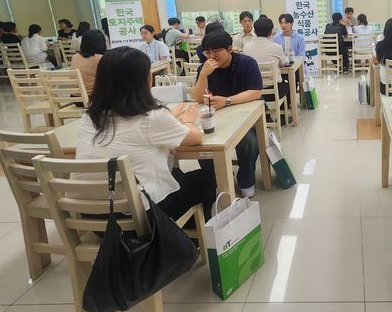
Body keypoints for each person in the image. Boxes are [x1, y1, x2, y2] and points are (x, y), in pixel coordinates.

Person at [74, 46, 216, 221]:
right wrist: (187, 119)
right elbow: (196, 137)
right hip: (137, 217)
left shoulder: (89, 114)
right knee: (205, 179)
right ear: (147, 79)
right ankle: (187, 242)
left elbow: (137, 130)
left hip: (92, 216)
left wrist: (170, 117)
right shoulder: (152, 117)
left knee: (176, 176)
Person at [192, 30, 263, 198]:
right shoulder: (205, 67)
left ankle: (246, 180)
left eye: (216, 51)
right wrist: (203, 75)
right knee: (201, 145)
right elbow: (197, 98)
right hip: (218, 118)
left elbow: (256, 92)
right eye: (207, 52)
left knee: (249, 141)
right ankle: (219, 180)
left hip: (247, 115)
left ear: (230, 49)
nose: (211, 56)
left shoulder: (247, 63)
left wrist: (228, 101)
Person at [243, 18, 290, 105]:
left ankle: (266, 114)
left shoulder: (246, 47)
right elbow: (284, 64)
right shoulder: (277, 47)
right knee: (288, 83)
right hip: (273, 92)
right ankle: (283, 116)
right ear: (271, 32)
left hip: (253, 92)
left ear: (255, 32)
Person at [71, 30, 107, 95]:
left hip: (75, 97)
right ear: (102, 42)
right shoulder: (101, 58)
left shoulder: (75, 57)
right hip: (94, 98)